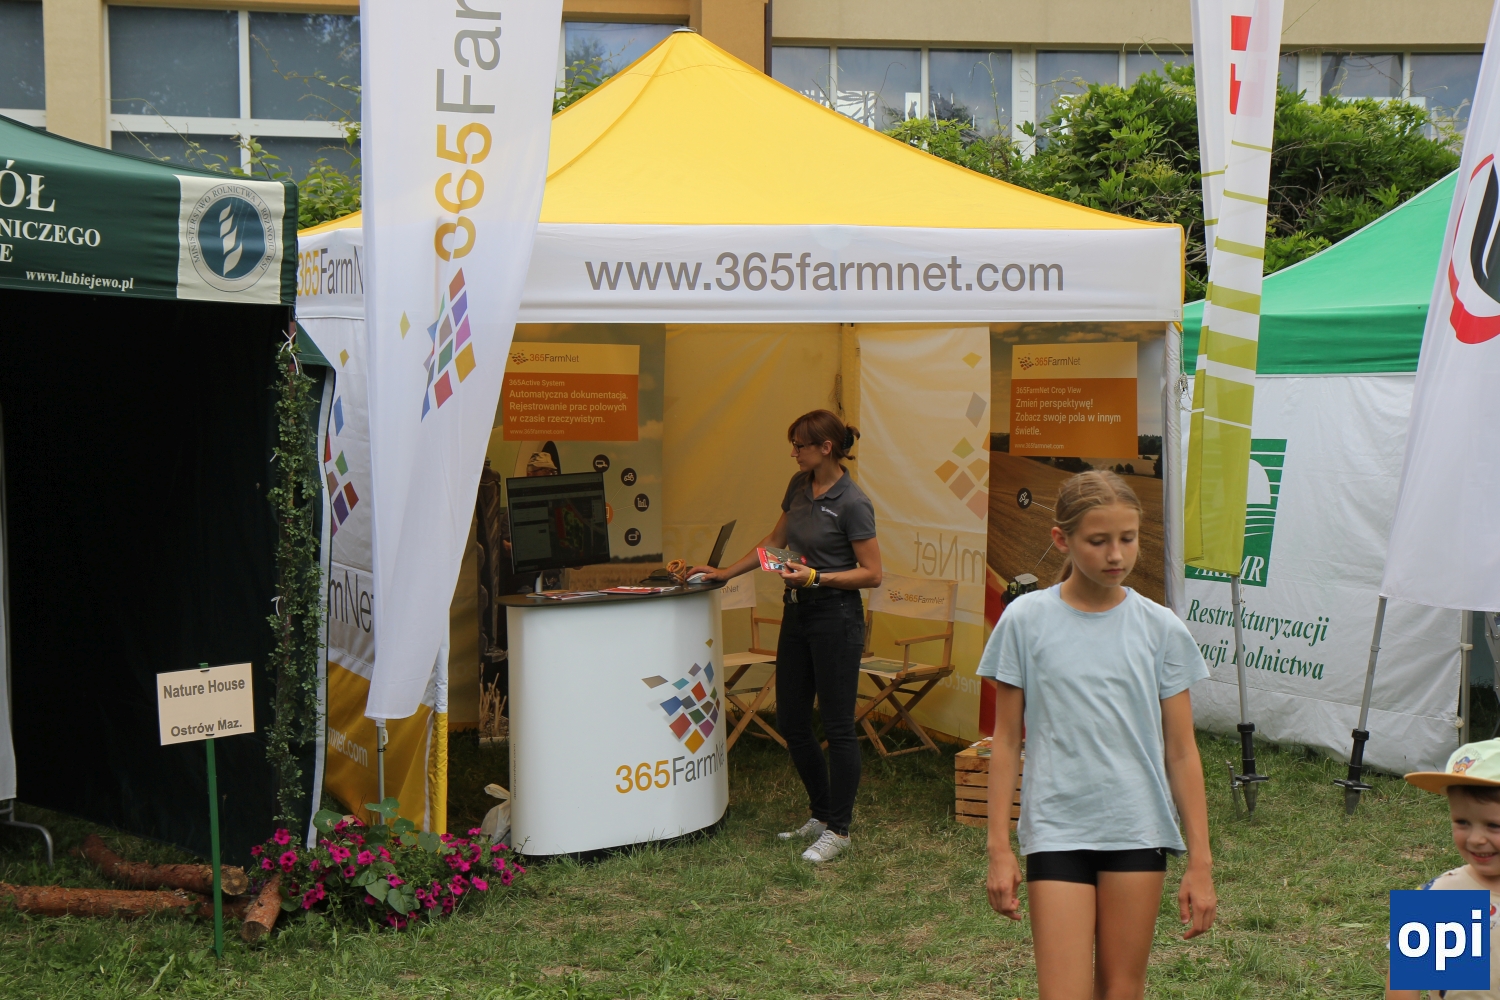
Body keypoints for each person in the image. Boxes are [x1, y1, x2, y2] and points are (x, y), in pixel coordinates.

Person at [978, 470, 1216, 999]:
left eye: (1127, 539)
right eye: (1098, 540)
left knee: (1121, 989)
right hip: (1056, 829)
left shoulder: (1160, 627)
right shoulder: (1024, 620)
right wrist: (999, 848)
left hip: (1137, 830)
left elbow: (1182, 752)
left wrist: (1200, 862)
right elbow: (1007, 741)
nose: (1116, 555)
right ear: (1061, 539)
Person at [693, 409, 882, 863]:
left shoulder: (853, 502)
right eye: (792, 444)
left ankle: (839, 830)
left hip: (837, 617)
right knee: (793, 721)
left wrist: (816, 577)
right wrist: (725, 573)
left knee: (838, 727)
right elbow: (775, 543)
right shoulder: (799, 485)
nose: (792, 452)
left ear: (826, 448)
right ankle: (821, 813)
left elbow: (873, 573)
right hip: (797, 613)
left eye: (799, 445)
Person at [1388, 740, 1500, 1000]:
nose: (1475, 839)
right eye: (1462, 822)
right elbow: (1405, 985)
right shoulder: (1449, 895)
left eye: (1494, 825)